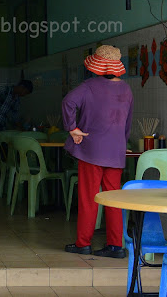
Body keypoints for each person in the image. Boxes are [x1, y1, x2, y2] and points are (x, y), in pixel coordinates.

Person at [62, 45, 133, 259]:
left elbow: (68, 102)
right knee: (113, 199)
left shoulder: (88, 86)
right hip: (116, 152)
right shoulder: (127, 89)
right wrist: (122, 142)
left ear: (97, 65)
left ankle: (83, 243)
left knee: (88, 198)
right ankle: (115, 246)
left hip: (91, 151)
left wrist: (73, 128)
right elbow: (127, 122)